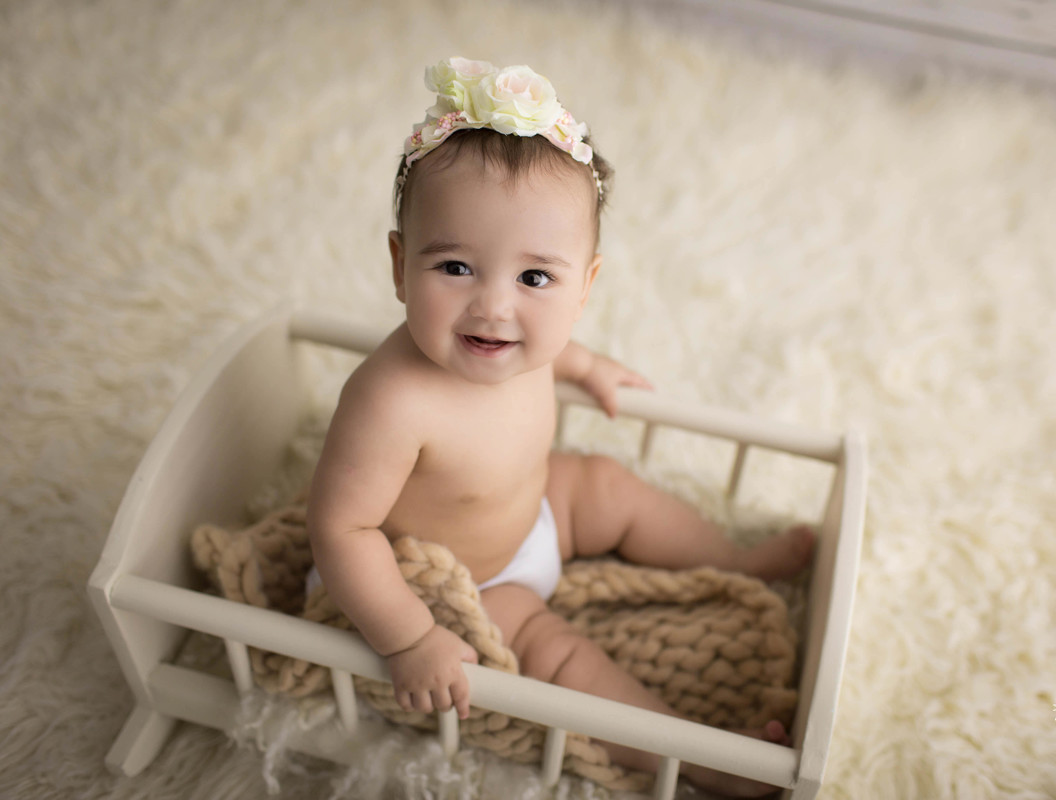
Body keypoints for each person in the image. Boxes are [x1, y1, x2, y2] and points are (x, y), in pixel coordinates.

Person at [307, 57, 814, 796]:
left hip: (536, 511)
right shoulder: (390, 399)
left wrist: (588, 367)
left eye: (535, 278)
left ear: (584, 286)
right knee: (560, 658)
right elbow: (341, 531)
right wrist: (411, 638)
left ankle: (734, 561)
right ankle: (704, 759)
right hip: (470, 584)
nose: (494, 308)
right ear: (398, 264)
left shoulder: (524, 343)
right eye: (454, 267)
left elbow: (552, 347)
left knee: (605, 483)